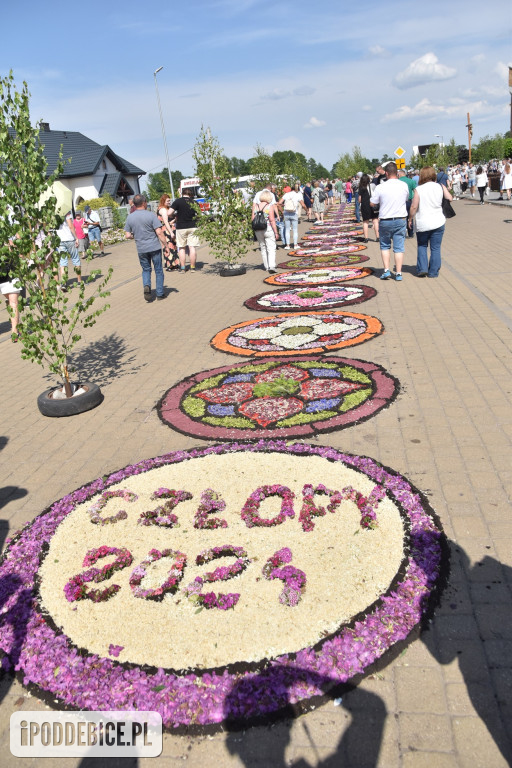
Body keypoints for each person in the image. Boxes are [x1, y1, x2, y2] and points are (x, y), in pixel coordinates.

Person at [408, 166, 452, 279]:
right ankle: (433, 272)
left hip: (423, 223)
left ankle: (422, 269)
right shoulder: (440, 186)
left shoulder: (419, 189)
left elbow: (413, 206)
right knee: (435, 248)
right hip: (438, 221)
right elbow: (450, 198)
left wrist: (410, 218)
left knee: (422, 245)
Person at [124, 194, 169, 301]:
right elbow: (159, 232)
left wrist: (135, 236)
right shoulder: (151, 215)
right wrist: (166, 245)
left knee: (146, 270)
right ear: (144, 203)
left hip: (141, 248)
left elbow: (127, 235)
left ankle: (147, 286)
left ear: (134, 204)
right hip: (154, 247)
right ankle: (159, 293)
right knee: (158, 270)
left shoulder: (130, 217)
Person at [370, 162, 408, 281]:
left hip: (385, 220)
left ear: (386, 173)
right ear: (396, 173)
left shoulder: (380, 187)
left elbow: (373, 202)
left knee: (385, 246)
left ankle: (386, 270)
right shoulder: (404, 185)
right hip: (400, 219)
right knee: (399, 247)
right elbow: (406, 199)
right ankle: (398, 273)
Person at [169, 187, 200, 273]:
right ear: (190, 194)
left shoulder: (178, 201)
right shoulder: (194, 202)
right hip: (193, 226)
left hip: (181, 227)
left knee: (181, 248)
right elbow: (199, 215)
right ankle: (193, 267)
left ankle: (182, 268)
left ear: (182, 193)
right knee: (192, 247)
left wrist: (175, 215)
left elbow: (169, 213)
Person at [252, 190, 279, 273]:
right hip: (267, 228)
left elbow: (252, 219)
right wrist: (276, 232)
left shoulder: (256, 206)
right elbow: (272, 220)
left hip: (258, 229)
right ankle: (271, 266)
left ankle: (266, 266)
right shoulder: (269, 206)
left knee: (263, 247)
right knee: (271, 247)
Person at [57, 210, 81, 288]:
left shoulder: (53, 212)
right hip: (69, 238)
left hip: (60, 240)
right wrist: (76, 237)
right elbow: (70, 226)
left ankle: (64, 283)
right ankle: (79, 281)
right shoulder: (66, 211)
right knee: (75, 259)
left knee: (63, 262)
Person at [279, 183, 307, 249]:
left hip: (286, 213)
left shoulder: (286, 194)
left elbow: (279, 203)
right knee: (295, 229)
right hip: (294, 213)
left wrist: (282, 210)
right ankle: (295, 245)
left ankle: (287, 245)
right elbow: (303, 205)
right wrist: (307, 211)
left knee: (287, 229)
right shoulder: (298, 195)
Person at [157, 194, 179, 270]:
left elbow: (168, 221)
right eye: (168, 201)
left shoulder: (166, 208)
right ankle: (170, 265)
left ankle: (174, 264)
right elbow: (165, 222)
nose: (169, 202)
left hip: (168, 229)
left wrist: (174, 220)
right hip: (166, 231)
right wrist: (171, 232)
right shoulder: (163, 210)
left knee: (173, 246)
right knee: (169, 247)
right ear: (163, 201)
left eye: (169, 200)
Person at [358, 174, 379, 243]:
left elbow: (359, 199)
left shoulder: (361, 187)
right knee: (375, 221)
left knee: (365, 222)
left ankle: (366, 238)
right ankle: (378, 237)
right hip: (372, 204)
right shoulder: (372, 186)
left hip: (365, 205)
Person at [398, 169, 417, 237]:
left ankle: (403, 232)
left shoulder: (398, 181)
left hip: (401, 202)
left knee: (402, 218)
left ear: (399, 174)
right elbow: (415, 191)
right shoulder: (411, 181)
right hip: (409, 201)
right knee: (410, 217)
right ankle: (411, 233)